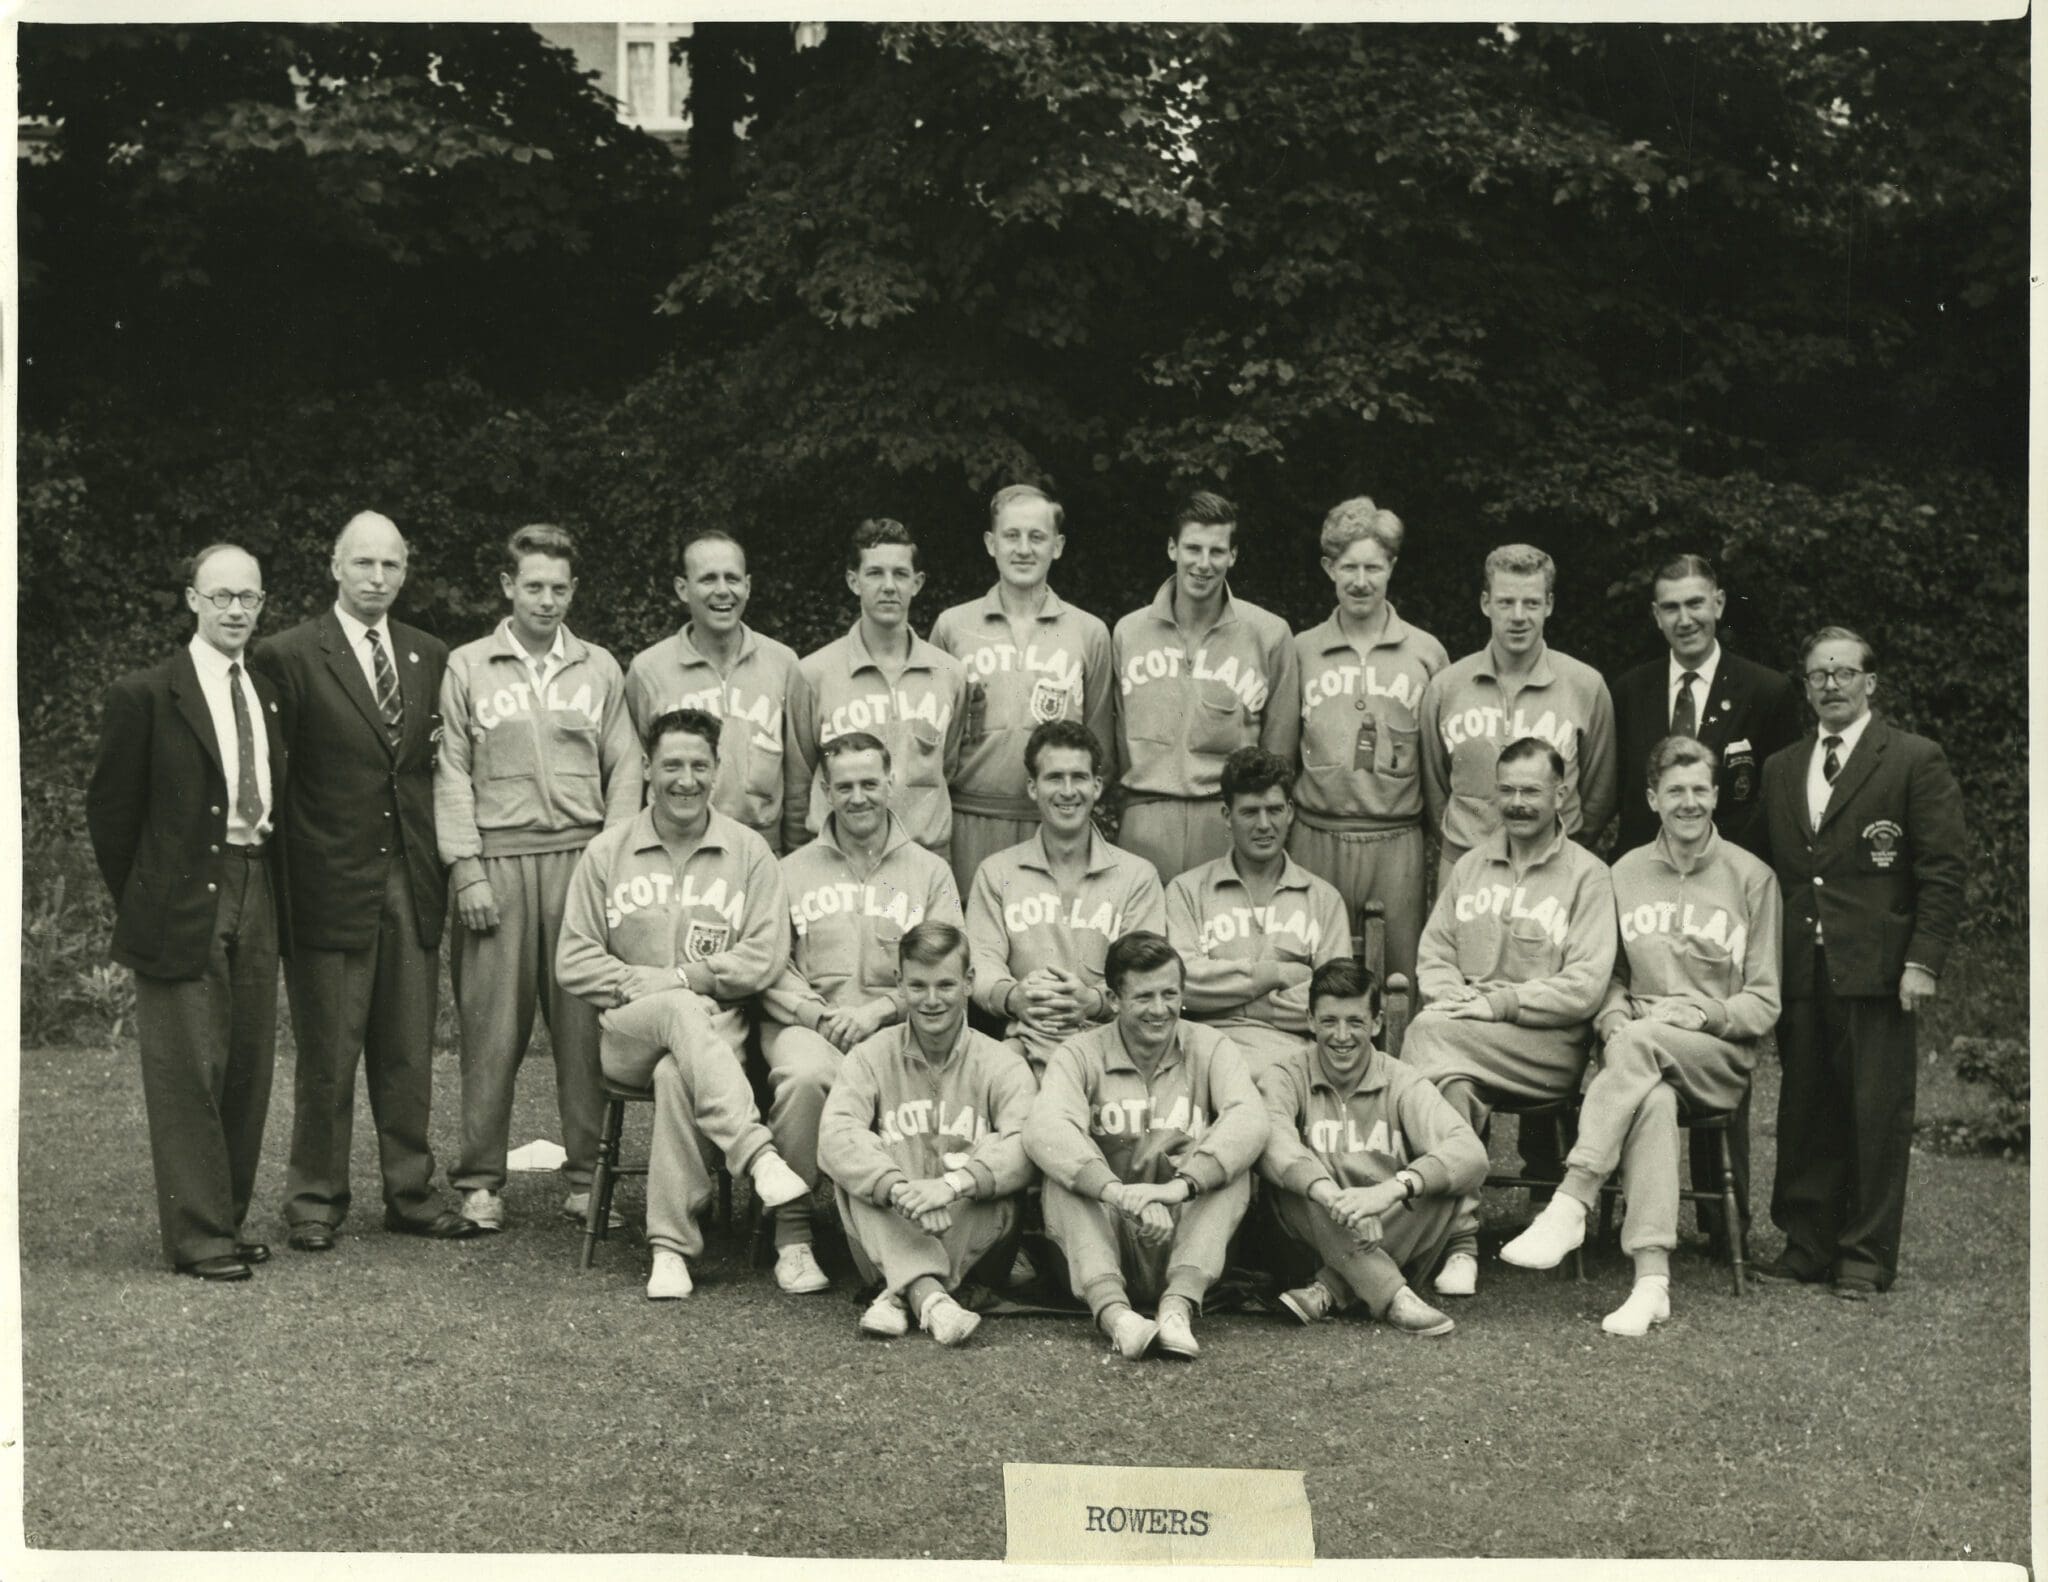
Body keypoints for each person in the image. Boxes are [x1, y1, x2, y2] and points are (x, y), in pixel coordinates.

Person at [1500, 737, 1782, 1334]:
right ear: (1653, 798)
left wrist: (1706, 1017)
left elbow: (1763, 1001)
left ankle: (1571, 1199)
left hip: (1716, 1052)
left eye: (1700, 790)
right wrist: (1613, 1019)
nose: (1689, 803)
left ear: (1715, 796)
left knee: (1637, 1048)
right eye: (1675, 791)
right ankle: (1651, 1282)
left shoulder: (1752, 877)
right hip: (1641, 1052)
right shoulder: (1623, 872)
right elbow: (1610, 979)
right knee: (1648, 1094)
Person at [253, 510, 478, 1248]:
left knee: (409, 1052)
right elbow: (275, 782)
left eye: (391, 566)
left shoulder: (428, 654)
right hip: (329, 882)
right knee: (329, 1052)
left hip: (410, 881)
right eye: (364, 564)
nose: (377, 578)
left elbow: (430, 769)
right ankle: (315, 1201)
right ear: (335, 567)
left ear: (405, 573)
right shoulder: (288, 655)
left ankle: (411, 1193)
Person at [555, 707, 813, 1300]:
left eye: (700, 765)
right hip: (628, 1033)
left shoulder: (748, 852)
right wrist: (638, 984)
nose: (686, 779)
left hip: (714, 1041)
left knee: (680, 1069)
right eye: (672, 765)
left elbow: (765, 955)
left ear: (718, 770)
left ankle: (669, 1249)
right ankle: (756, 1154)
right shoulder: (607, 852)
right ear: (647, 768)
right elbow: (573, 957)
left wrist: (680, 976)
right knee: (674, 1013)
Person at [86, 544, 288, 1281]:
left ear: (262, 606)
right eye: (222, 596)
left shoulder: (265, 693)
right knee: (186, 1069)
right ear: (193, 602)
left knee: (247, 1064)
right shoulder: (146, 694)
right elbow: (110, 816)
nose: (236, 609)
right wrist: (149, 896)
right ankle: (199, 1236)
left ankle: (226, 1221)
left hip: (256, 880)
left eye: (249, 598)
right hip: (179, 896)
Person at [434, 524, 642, 1234]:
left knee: (585, 1028)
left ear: (573, 591)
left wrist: (612, 865)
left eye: (559, 588)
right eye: (533, 587)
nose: (546, 600)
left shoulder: (599, 667)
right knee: (492, 1029)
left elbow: (626, 770)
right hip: (498, 860)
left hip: (583, 862)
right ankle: (481, 1181)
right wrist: (466, 870)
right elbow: (451, 770)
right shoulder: (469, 665)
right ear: (507, 587)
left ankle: (588, 1176)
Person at [1755, 627, 1967, 1299]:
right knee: (1807, 1105)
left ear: (1871, 683)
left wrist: (1923, 961)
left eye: (1845, 673)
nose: (1832, 685)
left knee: (1875, 1112)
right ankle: (1809, 1244)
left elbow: (1943, 870)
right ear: (1807, 685)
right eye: (1819, 674)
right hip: (1801, 963)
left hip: (1878, 966)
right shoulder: (1783, 767)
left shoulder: (1912, 759)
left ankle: (1866, 1255)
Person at [1607, 552, 1802, 1253]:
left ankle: (1726, 1226)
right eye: (1670, 607)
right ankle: (1626, 1208)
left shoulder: (1769, 690)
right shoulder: (1628, 690)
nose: (1684, 618)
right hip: (1648, 892)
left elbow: (1779, 802)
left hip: (1729, 891)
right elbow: (1619, 800)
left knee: (1722, 1039)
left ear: (1719, 603)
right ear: (1655, 615)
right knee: (1640, 1043)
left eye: (1696, 603)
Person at [1401, 738, 1618, 1298]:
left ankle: (1397, 1205)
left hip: (1545, 1050)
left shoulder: (1588, 876)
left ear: (1561, 793)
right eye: (1507, 790)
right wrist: (1456, 999)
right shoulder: (1471, 866)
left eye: (1531, 790)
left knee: (1425, 1036)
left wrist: (1495, 1005)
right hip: (1465, 1039)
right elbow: (1435, 955)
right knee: (1450, 1087)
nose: (1518, 802)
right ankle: (1462, 1246)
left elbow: (1586, 985)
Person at [758, 731, 964, 1291]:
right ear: (825, 790)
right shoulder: (790, 870)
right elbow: (769, 966)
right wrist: (818, 1017)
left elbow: (950, 961)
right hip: (810, 1025)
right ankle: (794, 1235)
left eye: (869, 783)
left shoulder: (928, 871)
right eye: (843, 786)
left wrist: (880, 1011)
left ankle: (943, 1227)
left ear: (890, 782)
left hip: (900, 1028)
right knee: (804, 1077)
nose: (858, 797)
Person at [1024, 932, 1268, 1361]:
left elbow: (1250, 1119)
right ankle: (1118, 1317)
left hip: (1185, 1235)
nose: (1160, 1010)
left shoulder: (1210, 1047)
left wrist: (1176, 1189)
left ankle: (1177, 1310)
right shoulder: (1079, 1052)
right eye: (1144, 997)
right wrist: (1121, 1195)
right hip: (1108, 1233)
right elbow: (1044, 1129)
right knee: (1063, 1177)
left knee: (1232, 1167)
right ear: (1114, 999)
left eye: (1170, 994)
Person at [818, 922, 1038, 1346]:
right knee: (861, 1174)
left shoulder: (1001, 1063)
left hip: (972, 1235)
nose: (932, 1000)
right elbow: (835, 1135)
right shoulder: (870, 1055)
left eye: (946, 985)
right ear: (899, 984)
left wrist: (953, 1185)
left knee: (992, 1160)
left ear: (970, 982)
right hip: (891, 1220)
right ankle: (931, 1298)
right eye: (917, 986)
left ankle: (903, 1293)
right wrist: (900, 1188)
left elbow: (1025, 1147)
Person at [1257, 960, 1484, 1337]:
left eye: (1356, 1022)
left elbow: (1469, 1152)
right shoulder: (1286, 1075)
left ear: (1376, 1024)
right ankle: (1393, 1295)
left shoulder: (1400, 1079)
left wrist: (1390, 1190)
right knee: (1296, 1181)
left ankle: (1329, 1289)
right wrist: (1332, 1197)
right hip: (1310, 1236)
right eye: (1329, 1021)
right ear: (1310, 1020)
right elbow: (1271, 1142)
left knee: (1440, 1184)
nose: (1341, 1035)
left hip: (1386, 1230)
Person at [927, 484, 1116, 898]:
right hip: (969, 820)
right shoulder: (952, 627)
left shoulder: (1089, 632)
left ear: (1058, 546)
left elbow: (1099, 744)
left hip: (1055, 821)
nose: (1024, 549)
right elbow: (936, 742)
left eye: (1037, 537)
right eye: (1012, 536)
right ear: (991, 544)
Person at [1290, 496, 1448, 985]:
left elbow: (1437, 763)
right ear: (1328, 568)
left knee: (1399, 974)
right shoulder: (1301, 650)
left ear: (1391, 568)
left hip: (1395, 837)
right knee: (1315, 968)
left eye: (1373, 567)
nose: (1361, 580)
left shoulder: (1425, 653)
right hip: (1316, 832)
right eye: (1349, 567)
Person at [1111, 490, 1301, 881]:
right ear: (1171, 548)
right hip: (1146, 815)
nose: (1203, 564)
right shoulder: (1129, 632)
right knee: (1143, 939)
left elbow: (1279, 754)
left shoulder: (1268, 634)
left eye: (1216, 552)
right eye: (1192, 548)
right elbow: (1114, 739)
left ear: (1233, 556)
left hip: (1227, 819)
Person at [966, 720, 1166, 1074]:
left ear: (1097, 786)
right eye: (1054, 777)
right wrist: (1015, 998)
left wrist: (1092, 1001)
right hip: (1025, 1045)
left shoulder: (1137, 876)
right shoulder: (997, 872)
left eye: (1079, 777)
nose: (1068, 790)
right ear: (1032, 787)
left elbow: (1147, 976)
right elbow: (980, 964)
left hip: (1114, 1049)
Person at [1419, 544, 1617, 883]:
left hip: (1554, 866)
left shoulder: (1585, 685)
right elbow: (1434, 786)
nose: (1518, 616)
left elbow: (1600, 792)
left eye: (1531, 603)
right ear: (1485, 603)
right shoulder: (1446, 686)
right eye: (1506, 602)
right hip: (1466, 867)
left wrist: (1565, 847)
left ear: (1549, 605)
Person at [1165, 747, 1351, 1081]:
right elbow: (1181, 985)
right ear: (1226, 815)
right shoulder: (1187, 891)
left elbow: (1335, 1002)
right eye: (1250, 812)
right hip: (1206, 1056)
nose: (1264, 825)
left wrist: (1227, 998)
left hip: (1294, 1063)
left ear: (1290, 812)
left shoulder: (1323, 898)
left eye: (1274, 810)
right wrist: (1276, 974)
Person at [791, 518, 968, 861]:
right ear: (853, 581)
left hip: (924, 858)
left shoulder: (950, 673)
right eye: (875, 574)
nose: (889, 586)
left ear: (917, 583)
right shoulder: (814, 672)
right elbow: (799, 779)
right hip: (835, 860)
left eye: (900, 574)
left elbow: (947, 766)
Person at [624, 529, 810, 855]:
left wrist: (796, 857)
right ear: (683, 589)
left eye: (733, 579)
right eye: (708, 579)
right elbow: (633, 775)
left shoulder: (783, 663)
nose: (723, 591)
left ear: (748, 586)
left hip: (762, 850)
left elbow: (797, 776)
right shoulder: (649, 669)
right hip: (674, 851)